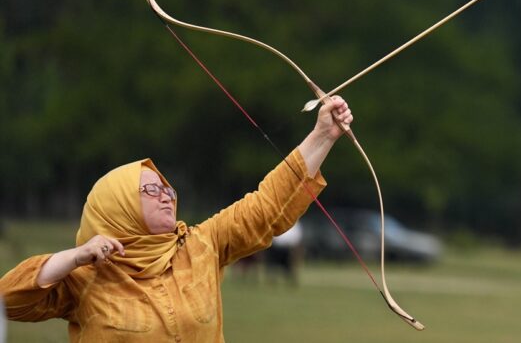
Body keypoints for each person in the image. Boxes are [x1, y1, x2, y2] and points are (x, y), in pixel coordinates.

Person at [0, 96, 354, 342]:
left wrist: (323, 134)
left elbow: (266, 208)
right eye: (150, 191)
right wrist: (75, 258)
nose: (166, 196)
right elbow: (9, 301)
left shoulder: (201, 244)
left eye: (167, 190)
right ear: (118, 207)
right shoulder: (85, 276)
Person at [265, 221, 304, 287]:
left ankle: (292, 281)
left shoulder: (295, 223)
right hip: (276, 247)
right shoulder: (279, 218)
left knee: (290, 265)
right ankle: (272, 280)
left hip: (289, 248)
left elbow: (297, 238)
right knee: (273, 264)